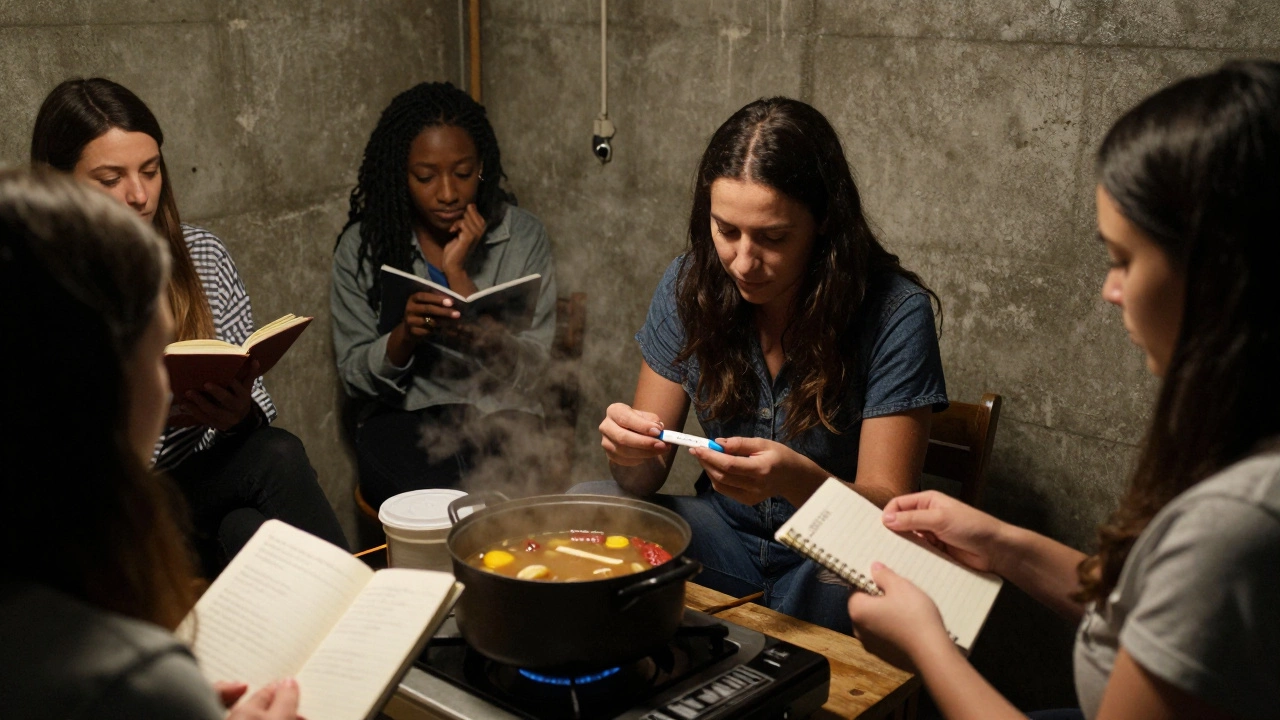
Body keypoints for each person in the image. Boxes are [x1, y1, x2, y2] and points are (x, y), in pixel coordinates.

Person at [845, 60, 1280, 720]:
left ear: (1221, 274)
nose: (1109, 290)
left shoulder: (1234, 525)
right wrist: (1000, 542)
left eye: (1124, 260)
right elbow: (1147, 610)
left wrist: (929, 647)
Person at [591, 97, 947, 633]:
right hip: (720, 539)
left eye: (773, 238)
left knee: (867, 577)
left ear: (824, 222)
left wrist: (793, 479)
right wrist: (629, 450)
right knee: (587, 507)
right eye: (726, 230)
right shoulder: (689, 284)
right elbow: (641, 476)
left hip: (827, 555)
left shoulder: (895, 312)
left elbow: (886, 515)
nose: (742, 260)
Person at [0, 167, 299, 719]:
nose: (137, 193)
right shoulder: (130, 678)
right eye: (157, 353)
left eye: (149, 169)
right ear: (97, 383)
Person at [30, 78, 348, 574]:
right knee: (274, 460)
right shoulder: (39, 289)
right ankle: (378, 623)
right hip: (106, 513)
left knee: (248, 522)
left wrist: (236, 414)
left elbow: (253, 416)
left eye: (150, 171)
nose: (138, 195)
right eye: (110, 179)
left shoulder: (201, 255)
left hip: (199, 490)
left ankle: (359, 630)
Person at [332, 81, 558, 509]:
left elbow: (537, 372)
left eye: (463, 173)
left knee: (500, 502)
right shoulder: (362, 247)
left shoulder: (523, 236)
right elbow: (354, 377)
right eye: (425, 176)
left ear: (483, 167)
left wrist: (459, 277)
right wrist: (404, 336)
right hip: (406, 416)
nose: (448, 193)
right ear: (401, 174)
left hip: (502, 412)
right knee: (435, 506)